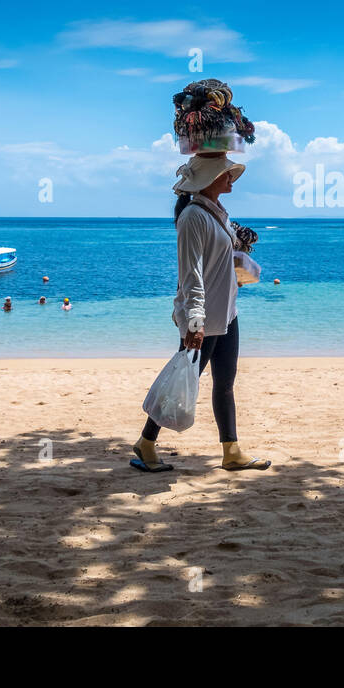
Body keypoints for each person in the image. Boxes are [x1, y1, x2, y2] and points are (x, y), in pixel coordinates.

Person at [131, 154, 271, 474]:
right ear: (209, 179)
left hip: (227, 314)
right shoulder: (193, 217)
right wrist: (195, 320)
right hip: (204, 318)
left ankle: (231, 451)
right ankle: (146, 443)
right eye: (226, 174)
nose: (231, 178)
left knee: (225, 383)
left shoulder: (217, 213)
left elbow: (228, 252)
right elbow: (191, 273)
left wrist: (242, 241)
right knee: (182, 380)